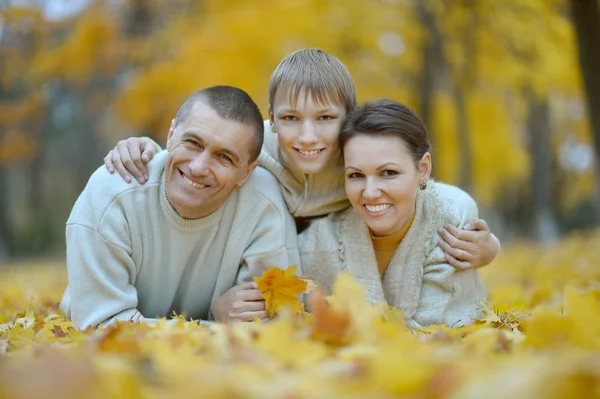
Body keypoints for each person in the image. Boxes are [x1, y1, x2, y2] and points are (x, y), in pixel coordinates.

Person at [103, 48, 500, 270]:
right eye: (291, 118)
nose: (307, 137)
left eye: (325, 119)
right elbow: (197, 154)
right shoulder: (255, 149)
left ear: (349, 119)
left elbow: (416, 192)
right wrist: (145, 147)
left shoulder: (358, 166)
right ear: (272, 119)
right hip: (239, 263)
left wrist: (491, 246)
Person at [60, 86, 299, 330]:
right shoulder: (113, 194)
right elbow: (100, 325)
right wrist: (214, 323)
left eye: (224, 157)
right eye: (193, 143)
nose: (198, 167)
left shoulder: (263, 204)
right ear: (171, 134)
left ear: (247, 172)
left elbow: (271, 325)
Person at [299, 99, 487, 328]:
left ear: (423, 169)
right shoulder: (321, 234)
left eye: (388, 172)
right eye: (356, 175)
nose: (369, 193)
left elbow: (438, 331)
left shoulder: (450, 215)